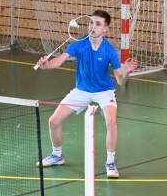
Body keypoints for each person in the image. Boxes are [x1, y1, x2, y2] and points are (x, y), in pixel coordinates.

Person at [35, 10, 138, 178]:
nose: (93, 26)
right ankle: (57, 155)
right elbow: (59, 60)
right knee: (53, 121)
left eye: (98, 24)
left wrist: (126, 71)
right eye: (91, 23)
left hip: (104, 91)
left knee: (111, 122)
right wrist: (47, 65)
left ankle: (110, 162)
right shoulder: (78, 43)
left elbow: (120, 81)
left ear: (106, 29)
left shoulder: (110, 51)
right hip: (81, 91)